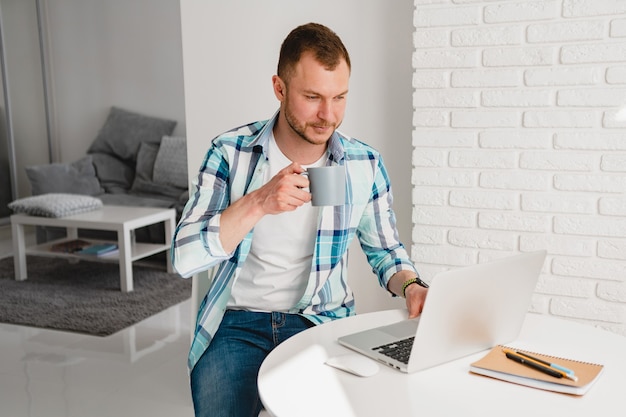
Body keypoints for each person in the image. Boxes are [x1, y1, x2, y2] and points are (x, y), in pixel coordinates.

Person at [172, 22, 428, 417]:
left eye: (339, 97)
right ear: (279, 88)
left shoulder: (359, 164)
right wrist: (258, 201)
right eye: (312, 97)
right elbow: (185, 257)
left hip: (319, 322)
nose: (328, 116)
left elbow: (385, 250)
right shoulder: (231, 154)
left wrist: (411, 285)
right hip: (237, 325)